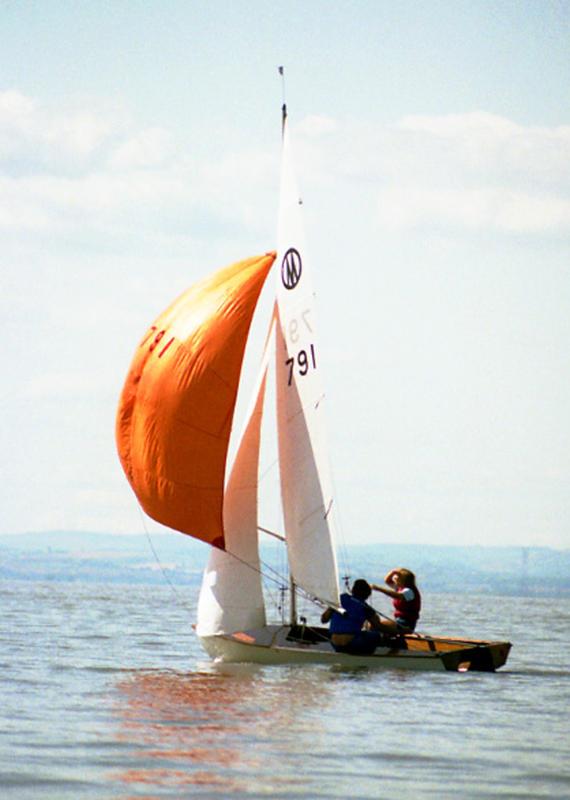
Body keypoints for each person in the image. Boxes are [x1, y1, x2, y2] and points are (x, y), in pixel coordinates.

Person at [321, 579, 386, 655]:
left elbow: (323, 620)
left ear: (352, 591)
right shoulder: (365, 607)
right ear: (367, 594)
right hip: (352, 643)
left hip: (335, 643)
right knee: (376, 636)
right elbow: (378, 625)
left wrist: (331, 609)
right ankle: (365, 657)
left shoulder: (340, 599)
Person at [371, 568, 421, 633]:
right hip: (399, 620)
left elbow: (398, 596)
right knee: (372, 624)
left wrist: (379, 589)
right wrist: (393, 572)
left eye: (396, 578)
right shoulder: (400, 588)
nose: (394, 580)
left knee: (376, 625)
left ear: (403, 580)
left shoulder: (409, 591)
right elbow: (387, 581)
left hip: (406, 624)